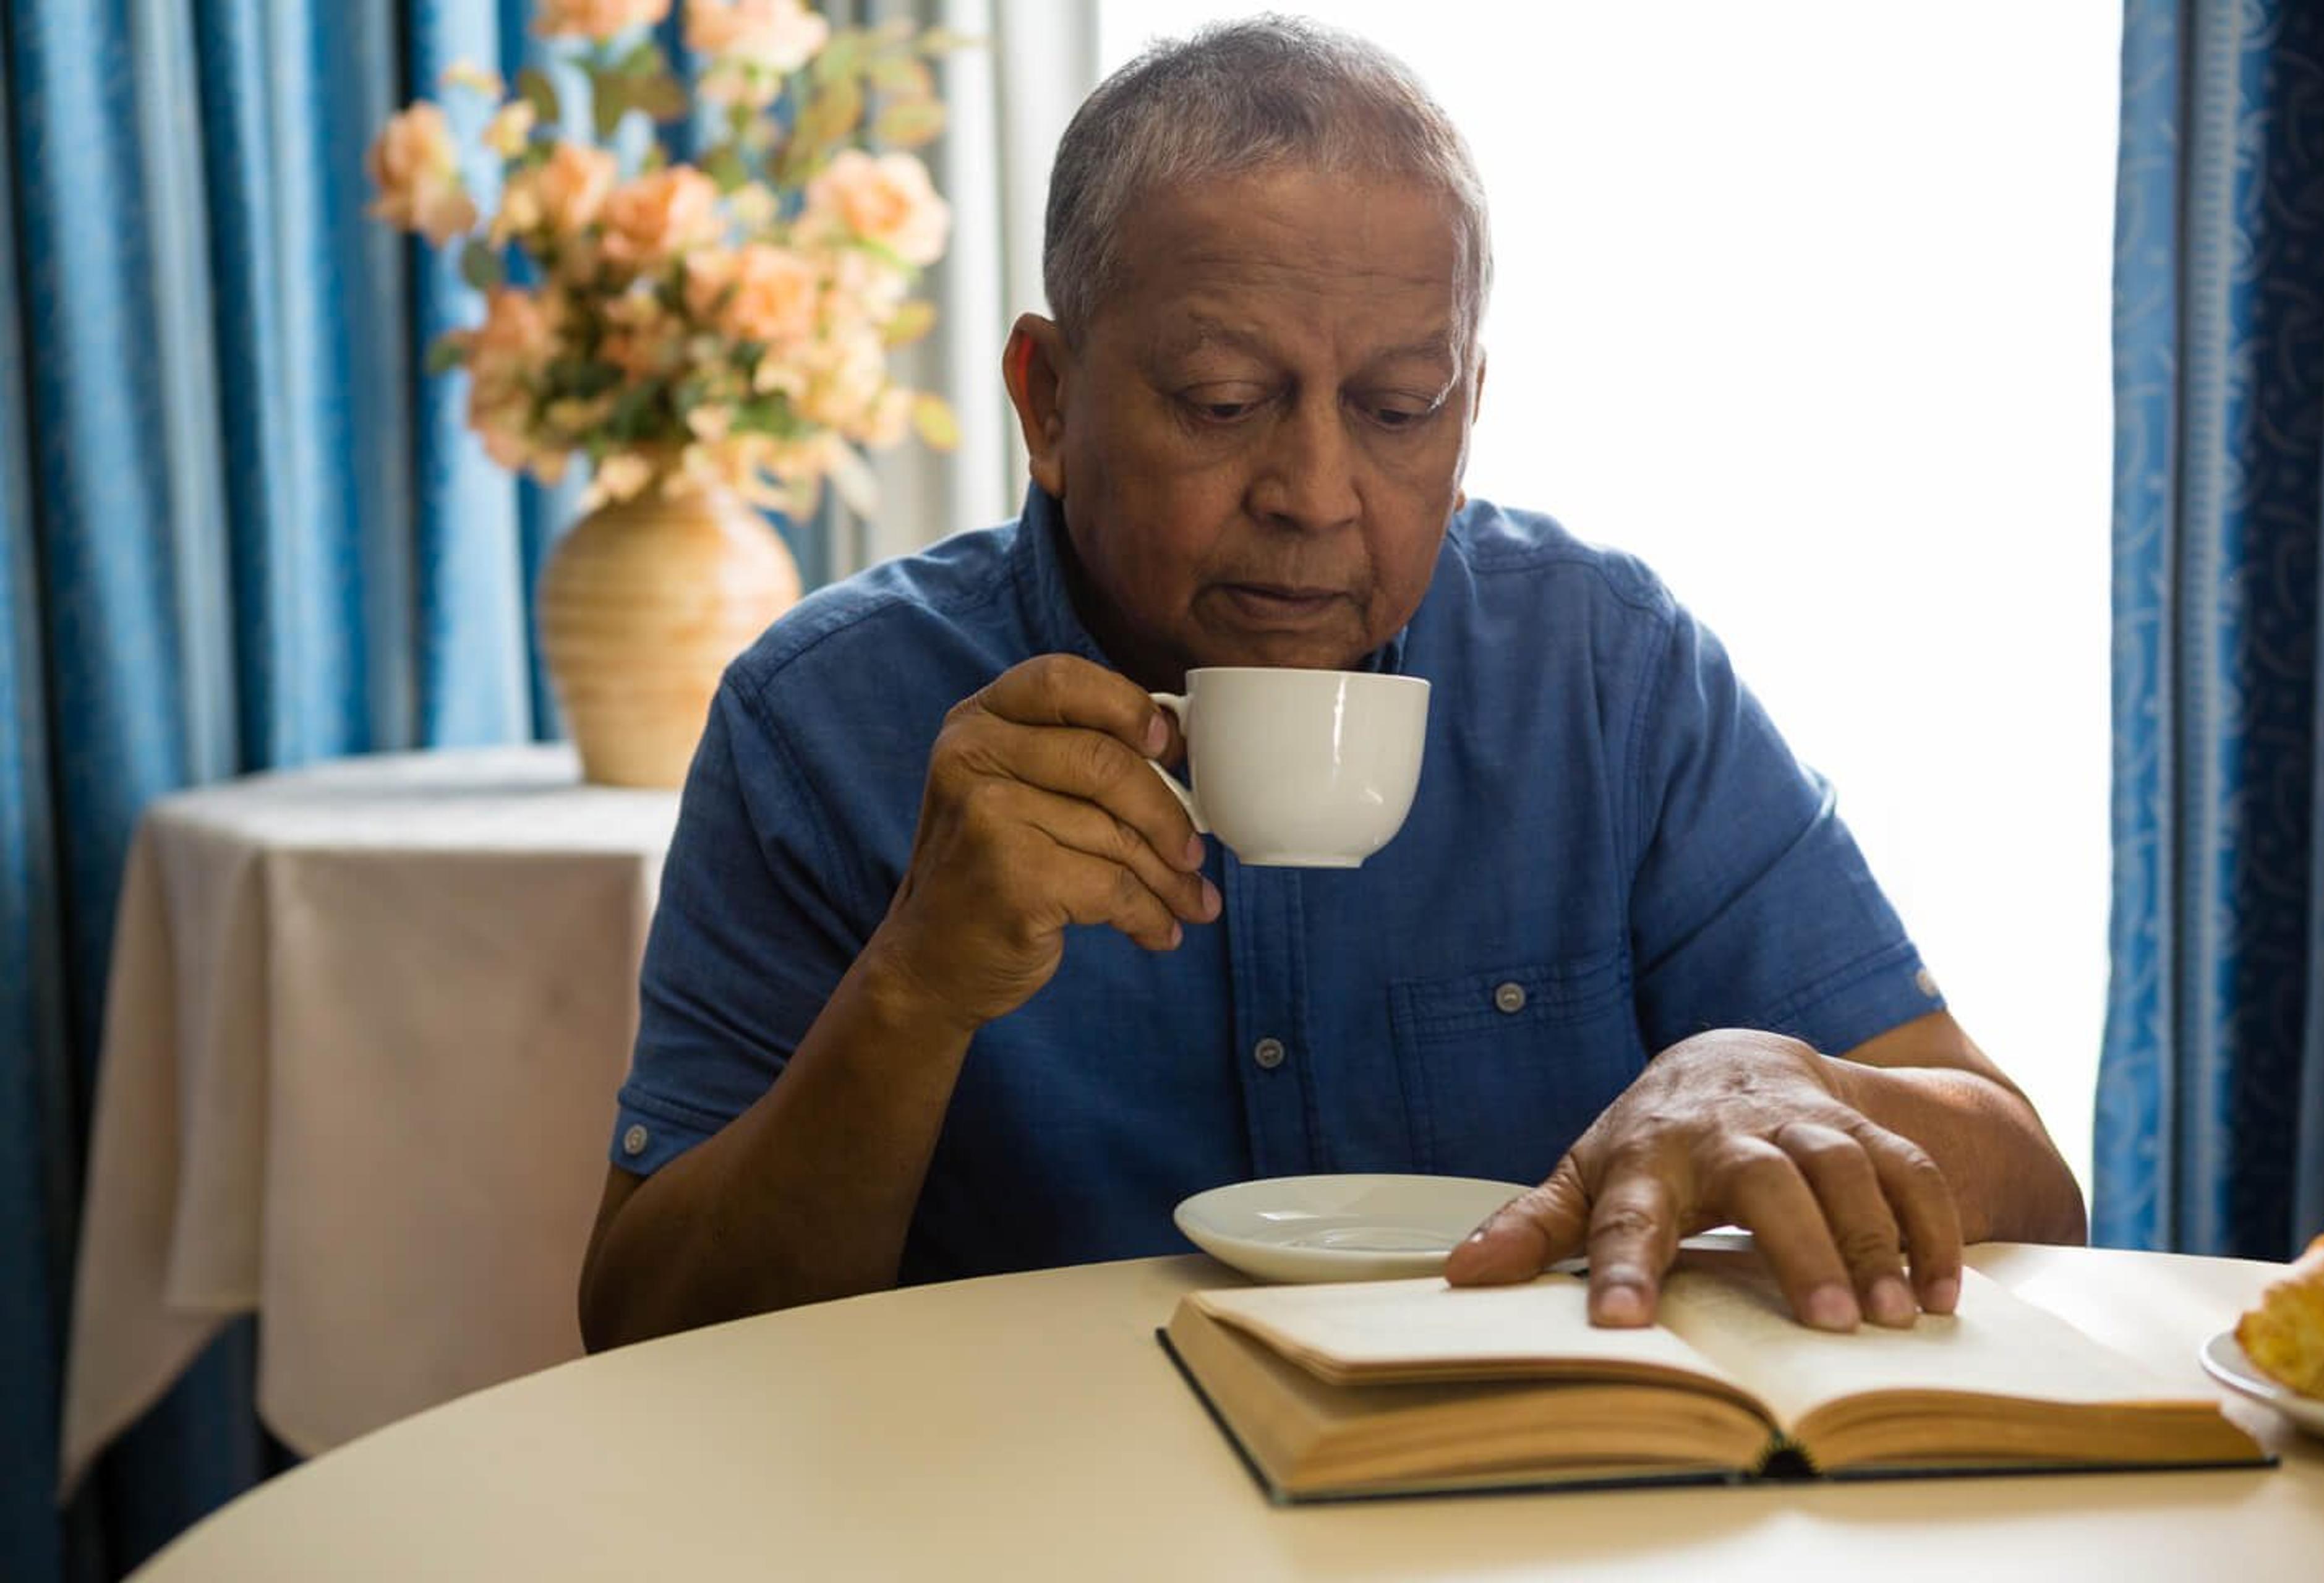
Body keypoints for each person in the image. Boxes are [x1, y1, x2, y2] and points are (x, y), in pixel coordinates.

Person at [577, 17, 2085, 1352]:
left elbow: (2032, 1187)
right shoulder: (828, 716)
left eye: (1397, 408)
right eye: (1225, 403)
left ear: (1470, 406)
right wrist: (914, 990)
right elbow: (645, 1334)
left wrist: (1769, 1077)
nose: (1315, 492)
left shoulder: (1603, 670)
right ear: (1047, 401)